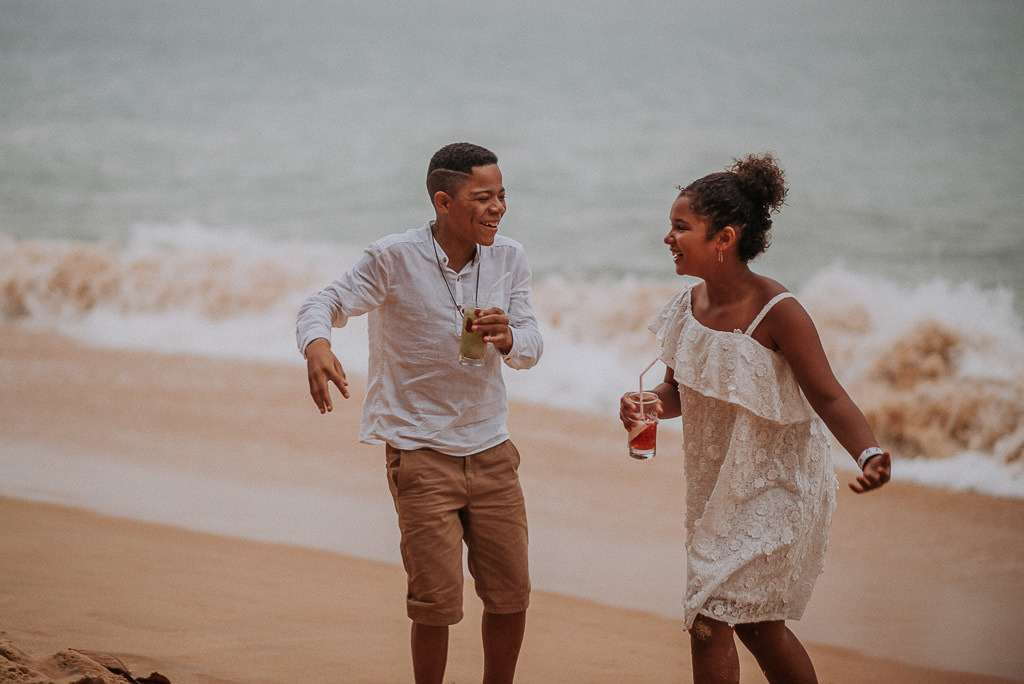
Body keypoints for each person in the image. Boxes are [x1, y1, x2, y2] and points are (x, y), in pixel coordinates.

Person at [619, 153, 891, 684]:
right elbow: (677, 391)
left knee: (709, 614)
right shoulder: (687, 306)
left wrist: (870, 452)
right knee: (758, 626)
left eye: (681, 227)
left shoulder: (778, 310)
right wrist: (646, 403)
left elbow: (829, 396)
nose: (668, 238)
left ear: (725, 238)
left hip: (776, 486)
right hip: (719, 487)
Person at [297, 142, 543, 684]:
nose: (498, 207)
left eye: (502, 195)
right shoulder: (393, 257)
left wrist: (508, 338)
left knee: (510, 596)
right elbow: (322, 302)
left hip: (492, 450)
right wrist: (316, 345)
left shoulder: (510, 258)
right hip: (419, 452)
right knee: (435, 604)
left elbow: (530, 346)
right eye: (484, 197)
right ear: (443, 201)